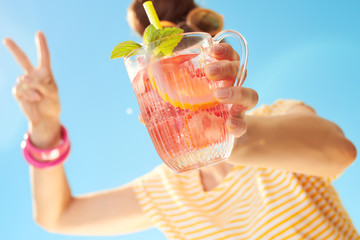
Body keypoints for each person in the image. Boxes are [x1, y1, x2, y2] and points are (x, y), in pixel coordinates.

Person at [3, 0, 358, 239]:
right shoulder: (169, 190)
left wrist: (234, 137)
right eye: (163, 37)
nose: (180, 41)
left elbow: (338, 151)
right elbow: (57, 216)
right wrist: (44, 128)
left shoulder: (280, 114)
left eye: (198, 26)